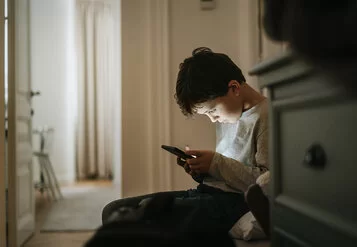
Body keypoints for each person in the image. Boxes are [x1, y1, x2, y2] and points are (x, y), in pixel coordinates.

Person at [101, 47, 270, 236]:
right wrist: (202, 169)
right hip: (206, 193)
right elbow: (226, 171)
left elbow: (265, 184)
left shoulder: (267, 116)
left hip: (233, 203)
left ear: (234, 88)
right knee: (112, 210)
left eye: (212, 111)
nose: (213, 119)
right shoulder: (230, 113)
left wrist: (215, 163)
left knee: (132, 220)